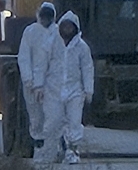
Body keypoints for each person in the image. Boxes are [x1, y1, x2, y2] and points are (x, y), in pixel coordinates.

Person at [50, 11, 93, 165]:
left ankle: (73, 150)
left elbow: (87, 68)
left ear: (76, 28)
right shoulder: (53, 45)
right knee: (55, 121)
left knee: (74, 121)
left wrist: (88, 89)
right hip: (55, 90)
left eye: (70, 26)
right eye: (65, 26)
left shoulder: (82, 47)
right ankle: (59, 148)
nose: (67, 29)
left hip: (75, 90)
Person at [17, 1, 60, 154]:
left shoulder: (58, 32)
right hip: (33, 83)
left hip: (53, 83)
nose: (46, 19)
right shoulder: (30, 31)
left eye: (49, 16)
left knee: (55, 116)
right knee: (35, 116)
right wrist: (28, 80)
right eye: (44, 16)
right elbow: (24, 57)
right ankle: (38, 144)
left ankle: (54, 146)